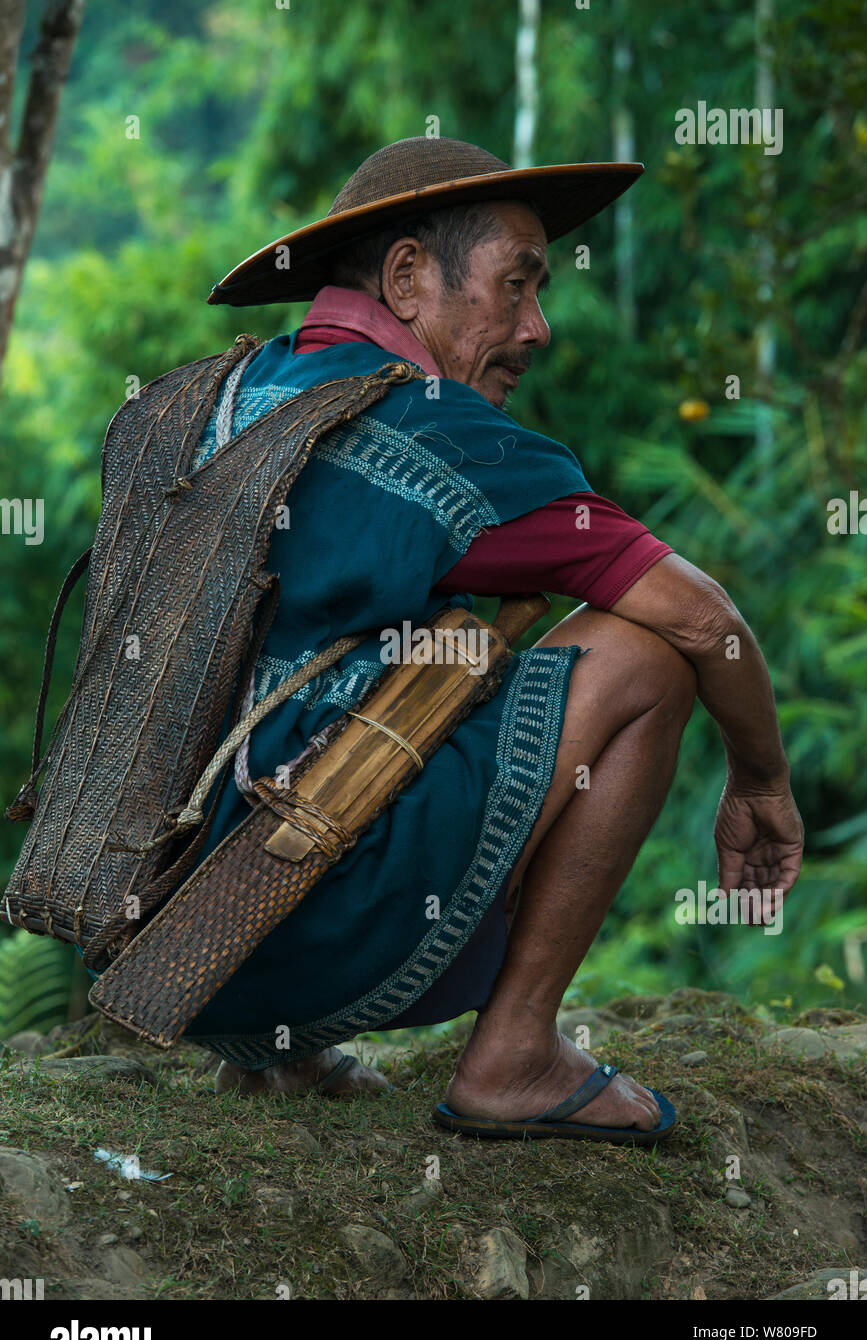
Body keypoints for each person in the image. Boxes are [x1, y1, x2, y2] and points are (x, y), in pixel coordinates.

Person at [184, 137, 803, 1142]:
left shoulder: (225, 402)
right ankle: (514, 1054)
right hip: (308, 919)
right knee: (646, 655)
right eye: (517, 287)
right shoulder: (440, 431)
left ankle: (278, 1054)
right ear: (408, 278)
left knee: (403, 655)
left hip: (185, 947)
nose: (539, 327)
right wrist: (763, 789)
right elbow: (707, 620)